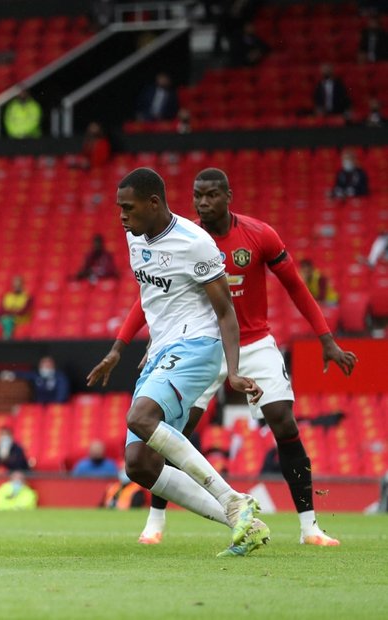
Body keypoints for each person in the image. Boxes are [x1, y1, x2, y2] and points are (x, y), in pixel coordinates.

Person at [113, 167, 357, 549]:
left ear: (228, 196)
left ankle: (309, 526)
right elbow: (151, 296)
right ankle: (157, 519)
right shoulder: (171, 238)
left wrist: (325, 338)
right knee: (173, 431)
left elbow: (295, 286)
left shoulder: (257, 235)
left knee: (283, 421)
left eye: (210, 195)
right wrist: (128, 345)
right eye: (197, 196)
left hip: (253, 341)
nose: (203, 203)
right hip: (198, 343)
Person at [86, 167, 270, 557]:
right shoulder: (135, 238)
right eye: (120, 208)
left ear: (154, 203)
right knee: (138, 464)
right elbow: (149, 296)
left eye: (128, 208)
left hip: (198, 345)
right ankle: (244, 521)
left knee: (139, 417)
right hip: (160, 351)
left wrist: (233, 371)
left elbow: (226, 312)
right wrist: (119, 348)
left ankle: (233, 499)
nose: (121, 216)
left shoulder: (196, 242)